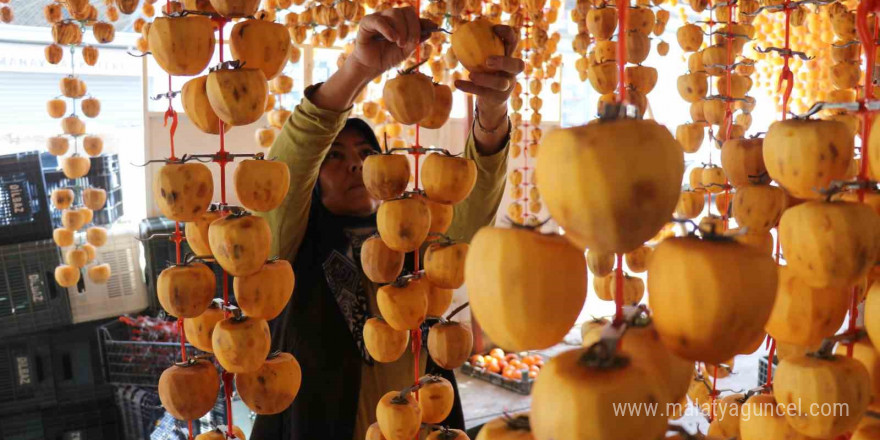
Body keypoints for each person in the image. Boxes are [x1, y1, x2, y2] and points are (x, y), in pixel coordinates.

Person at [251, 6, 523, 440]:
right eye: (334, 157)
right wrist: (357, 69)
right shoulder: (289, 248)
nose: (354, 166)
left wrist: (492, 114)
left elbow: (468, 216)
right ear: (311, 176)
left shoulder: (410, 237)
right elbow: (287, 169)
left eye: (365, 154)